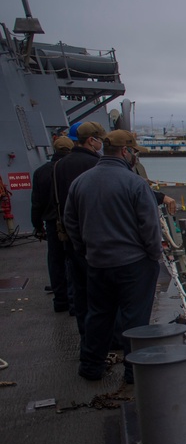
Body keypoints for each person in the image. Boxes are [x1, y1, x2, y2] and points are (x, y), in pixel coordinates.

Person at [63, 129, 162, 382]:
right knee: (135, 319)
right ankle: (133, 372)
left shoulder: (81, 181)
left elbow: (70, 222)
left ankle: (91, 367)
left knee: (98, 315)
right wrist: (154, 255)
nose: (135, 157)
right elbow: (150, 227)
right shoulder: (135, 183)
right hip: (134, 264)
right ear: (125, 151)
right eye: (134, 152)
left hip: (97, 263)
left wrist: (85, 250)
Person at [53, 121, 106, 347]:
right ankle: (108, 342)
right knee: (103, 297)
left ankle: (88, 341)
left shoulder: (59, 165)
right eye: (99, 139)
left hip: (71, 237)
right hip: (97, 240)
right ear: (92, 140)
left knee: (81, 292)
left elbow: (63, 206)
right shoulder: (96, 165)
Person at [30, 135, 75, 312]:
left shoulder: (40, 172)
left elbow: (36, 203)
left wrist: (37, 225)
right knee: (72, 260)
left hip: (50, 222)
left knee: (55, 261)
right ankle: (73, 302)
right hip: (70, 221)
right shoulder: (71, 170)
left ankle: (60, 301)